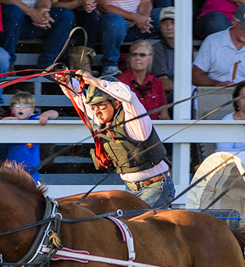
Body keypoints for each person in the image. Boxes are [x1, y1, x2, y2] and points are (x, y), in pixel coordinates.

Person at [55, 69, 174, 208]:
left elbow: (128, 95)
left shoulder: (134, 117)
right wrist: (67, 82)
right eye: (94, 107)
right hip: (131, 190)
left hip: (156, 188)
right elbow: (78, 98)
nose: (97, 111)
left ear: (116, 104)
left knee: (133, 225)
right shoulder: (103, 116)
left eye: (101, 106)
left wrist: (95, 81)